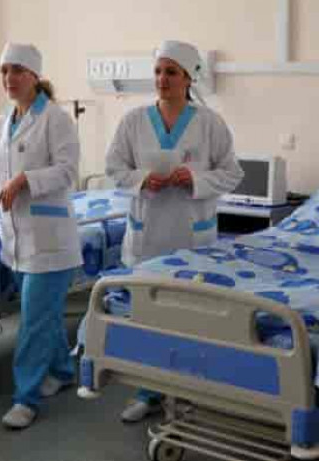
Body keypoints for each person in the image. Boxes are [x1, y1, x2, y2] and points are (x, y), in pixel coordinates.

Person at [105, 40, 244, 422]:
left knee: (188, 319)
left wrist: (195, 179)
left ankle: (187, 392)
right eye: (158, 71)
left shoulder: (210, 123)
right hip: (146, 233)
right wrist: (141, 180)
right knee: (146, 319)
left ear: (188, 78)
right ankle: (147, 392)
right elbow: (114, 168)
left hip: (191, 235)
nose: (162, 79)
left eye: (171, 72)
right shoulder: (133, 121)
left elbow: (232, 172)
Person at [0, 43, 82, 429]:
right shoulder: (4, 120)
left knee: (33, 322)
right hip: (16, 239)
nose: (9, 78)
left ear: (34, 75)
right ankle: (63, 371)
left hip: (50, 241)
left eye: (17, 70)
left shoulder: (56, 119)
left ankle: (26, 399)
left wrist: (25, 180)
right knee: (44, 316)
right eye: (4, 71)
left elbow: (68, 171)